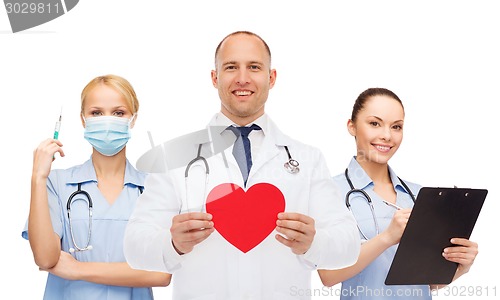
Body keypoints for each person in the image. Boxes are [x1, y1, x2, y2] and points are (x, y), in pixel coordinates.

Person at [123, 31, 360, 299]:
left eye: (254, 67)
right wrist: (172, 243)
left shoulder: (307, 158)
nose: (242, 78)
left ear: (271, 78)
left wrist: (313, 244)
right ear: (215, 78)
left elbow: (349, 245)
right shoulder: (175, 157)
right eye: (231, 67)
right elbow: (134, 245)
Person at [318, 87, 479, 299]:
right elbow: (328, 275)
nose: (387, 136)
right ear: (352, 126)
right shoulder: (329, 192)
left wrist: (460, 267)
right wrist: (387, 237)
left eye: (396, 127)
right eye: (375, 123)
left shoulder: (419, 195)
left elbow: (426, 282)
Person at [22, 74, 171, 300]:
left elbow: (160, 273)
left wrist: (78, 269)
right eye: (96, 113)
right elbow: (45, 258)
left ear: (133, 119)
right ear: (83, 119)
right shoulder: (57, 183)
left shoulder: (154, 187)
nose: (107, 121)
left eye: (119, 113)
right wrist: (37, 177)